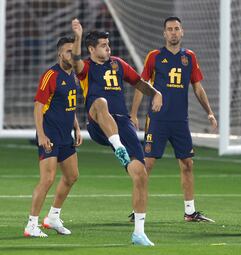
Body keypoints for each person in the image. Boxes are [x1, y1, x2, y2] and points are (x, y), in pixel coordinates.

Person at [71, 19, 162, 246]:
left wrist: (156, 93)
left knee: (140, 175)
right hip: (98, 121)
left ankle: (139, 232)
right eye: (102, 45)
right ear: (91, 49)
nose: (108, 48)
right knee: (101, 102)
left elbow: (139, 83)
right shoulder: (86, 67)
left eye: (108, 44)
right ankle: (118, 147)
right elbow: (73, 61)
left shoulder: (118, 64)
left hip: (122, 123)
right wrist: (78, 36)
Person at [130, 16, 217, 223]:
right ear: (164, 33)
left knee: (187, 163)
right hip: (158, 120)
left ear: (182, 32)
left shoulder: (190, 57)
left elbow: (197, 87)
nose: (173, 32)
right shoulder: (155, 56)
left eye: (177, 29)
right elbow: (141, 85)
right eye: (170, 29)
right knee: (147, 164)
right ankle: (137, 211)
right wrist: (133, 113)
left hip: (180, 121)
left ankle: (190, 212)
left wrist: (209, 112)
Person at [24, 37, 82, 238]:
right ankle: (32, 224)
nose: (71, 55)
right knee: (47, 179)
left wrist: (76, 126)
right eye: (68, 51)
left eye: (73, 51)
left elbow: (68, 104)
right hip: (50, 135)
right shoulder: (51, 75)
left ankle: (53, 217)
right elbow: (39, 107)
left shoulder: (74, 76)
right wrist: (41, 134)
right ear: (59, 54)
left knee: (72, 176)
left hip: (66, 135)